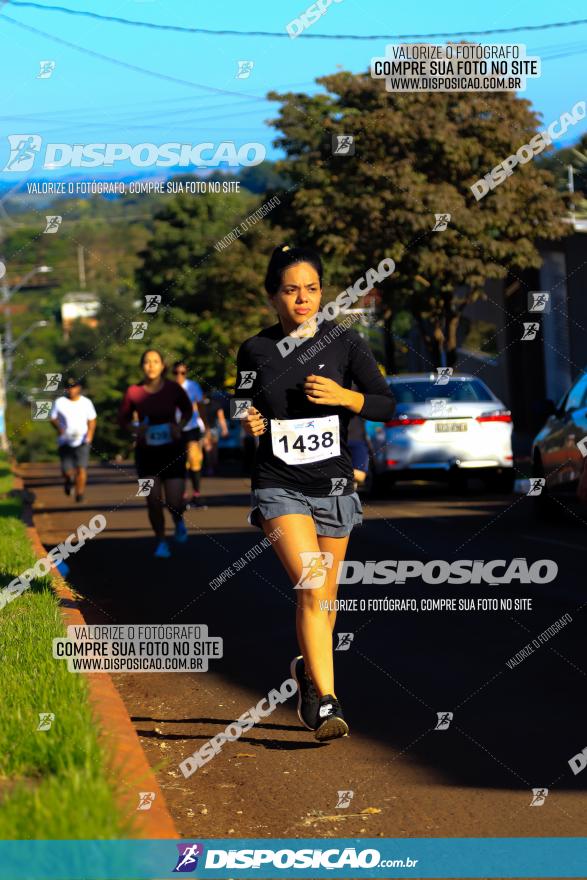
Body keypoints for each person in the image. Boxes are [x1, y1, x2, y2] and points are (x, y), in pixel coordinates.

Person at [235, 244, 395, 742]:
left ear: (322, 293)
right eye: (290, 290)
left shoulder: (345, 343)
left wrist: (345, 396)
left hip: (334, 487)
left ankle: (306, 672)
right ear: (272, 297)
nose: (301, 299)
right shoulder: (255, 350)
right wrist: (249, 418)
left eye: (310, 289)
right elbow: (240, 401)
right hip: (278, 485)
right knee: (310, 584)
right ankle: (326, 702)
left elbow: (386, 404)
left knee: (325, 599)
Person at [118, 349, 193, 559]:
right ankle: (161, 541)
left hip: (173, 450)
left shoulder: (173, 388)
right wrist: (136, 429)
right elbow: (122, 420)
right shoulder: (133, 391)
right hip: (146, 453)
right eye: (147, 362)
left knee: (174, 500)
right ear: (142, 366)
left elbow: (188, 411)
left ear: (162, 366)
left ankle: (178, 520)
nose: (151, 365)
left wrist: (179, 426)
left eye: (155, 361)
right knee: (152, 500)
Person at [50, 377, 97, 503]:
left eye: (74, 387)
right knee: (67, 471)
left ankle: (80, 493)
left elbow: (92, 420)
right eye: (69, 387)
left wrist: (90, 435)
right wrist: (60, 429)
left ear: (79, 388)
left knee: (81, 468)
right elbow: (53, 418)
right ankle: (68, 480)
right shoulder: (60, 402)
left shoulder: (86, 402)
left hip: (82, 440)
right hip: (65, 441)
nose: (71, 390)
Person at [172, 360, 209, 507]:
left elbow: (200, 407)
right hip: (174, 429)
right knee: (179, 463)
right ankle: (181, 495)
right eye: (176, 373)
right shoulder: (168, 388)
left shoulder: (193, 386)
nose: (179, 376)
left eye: (182, 373)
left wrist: (206, 427)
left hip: (191, 428)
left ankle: (196, 494)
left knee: (194, 459)